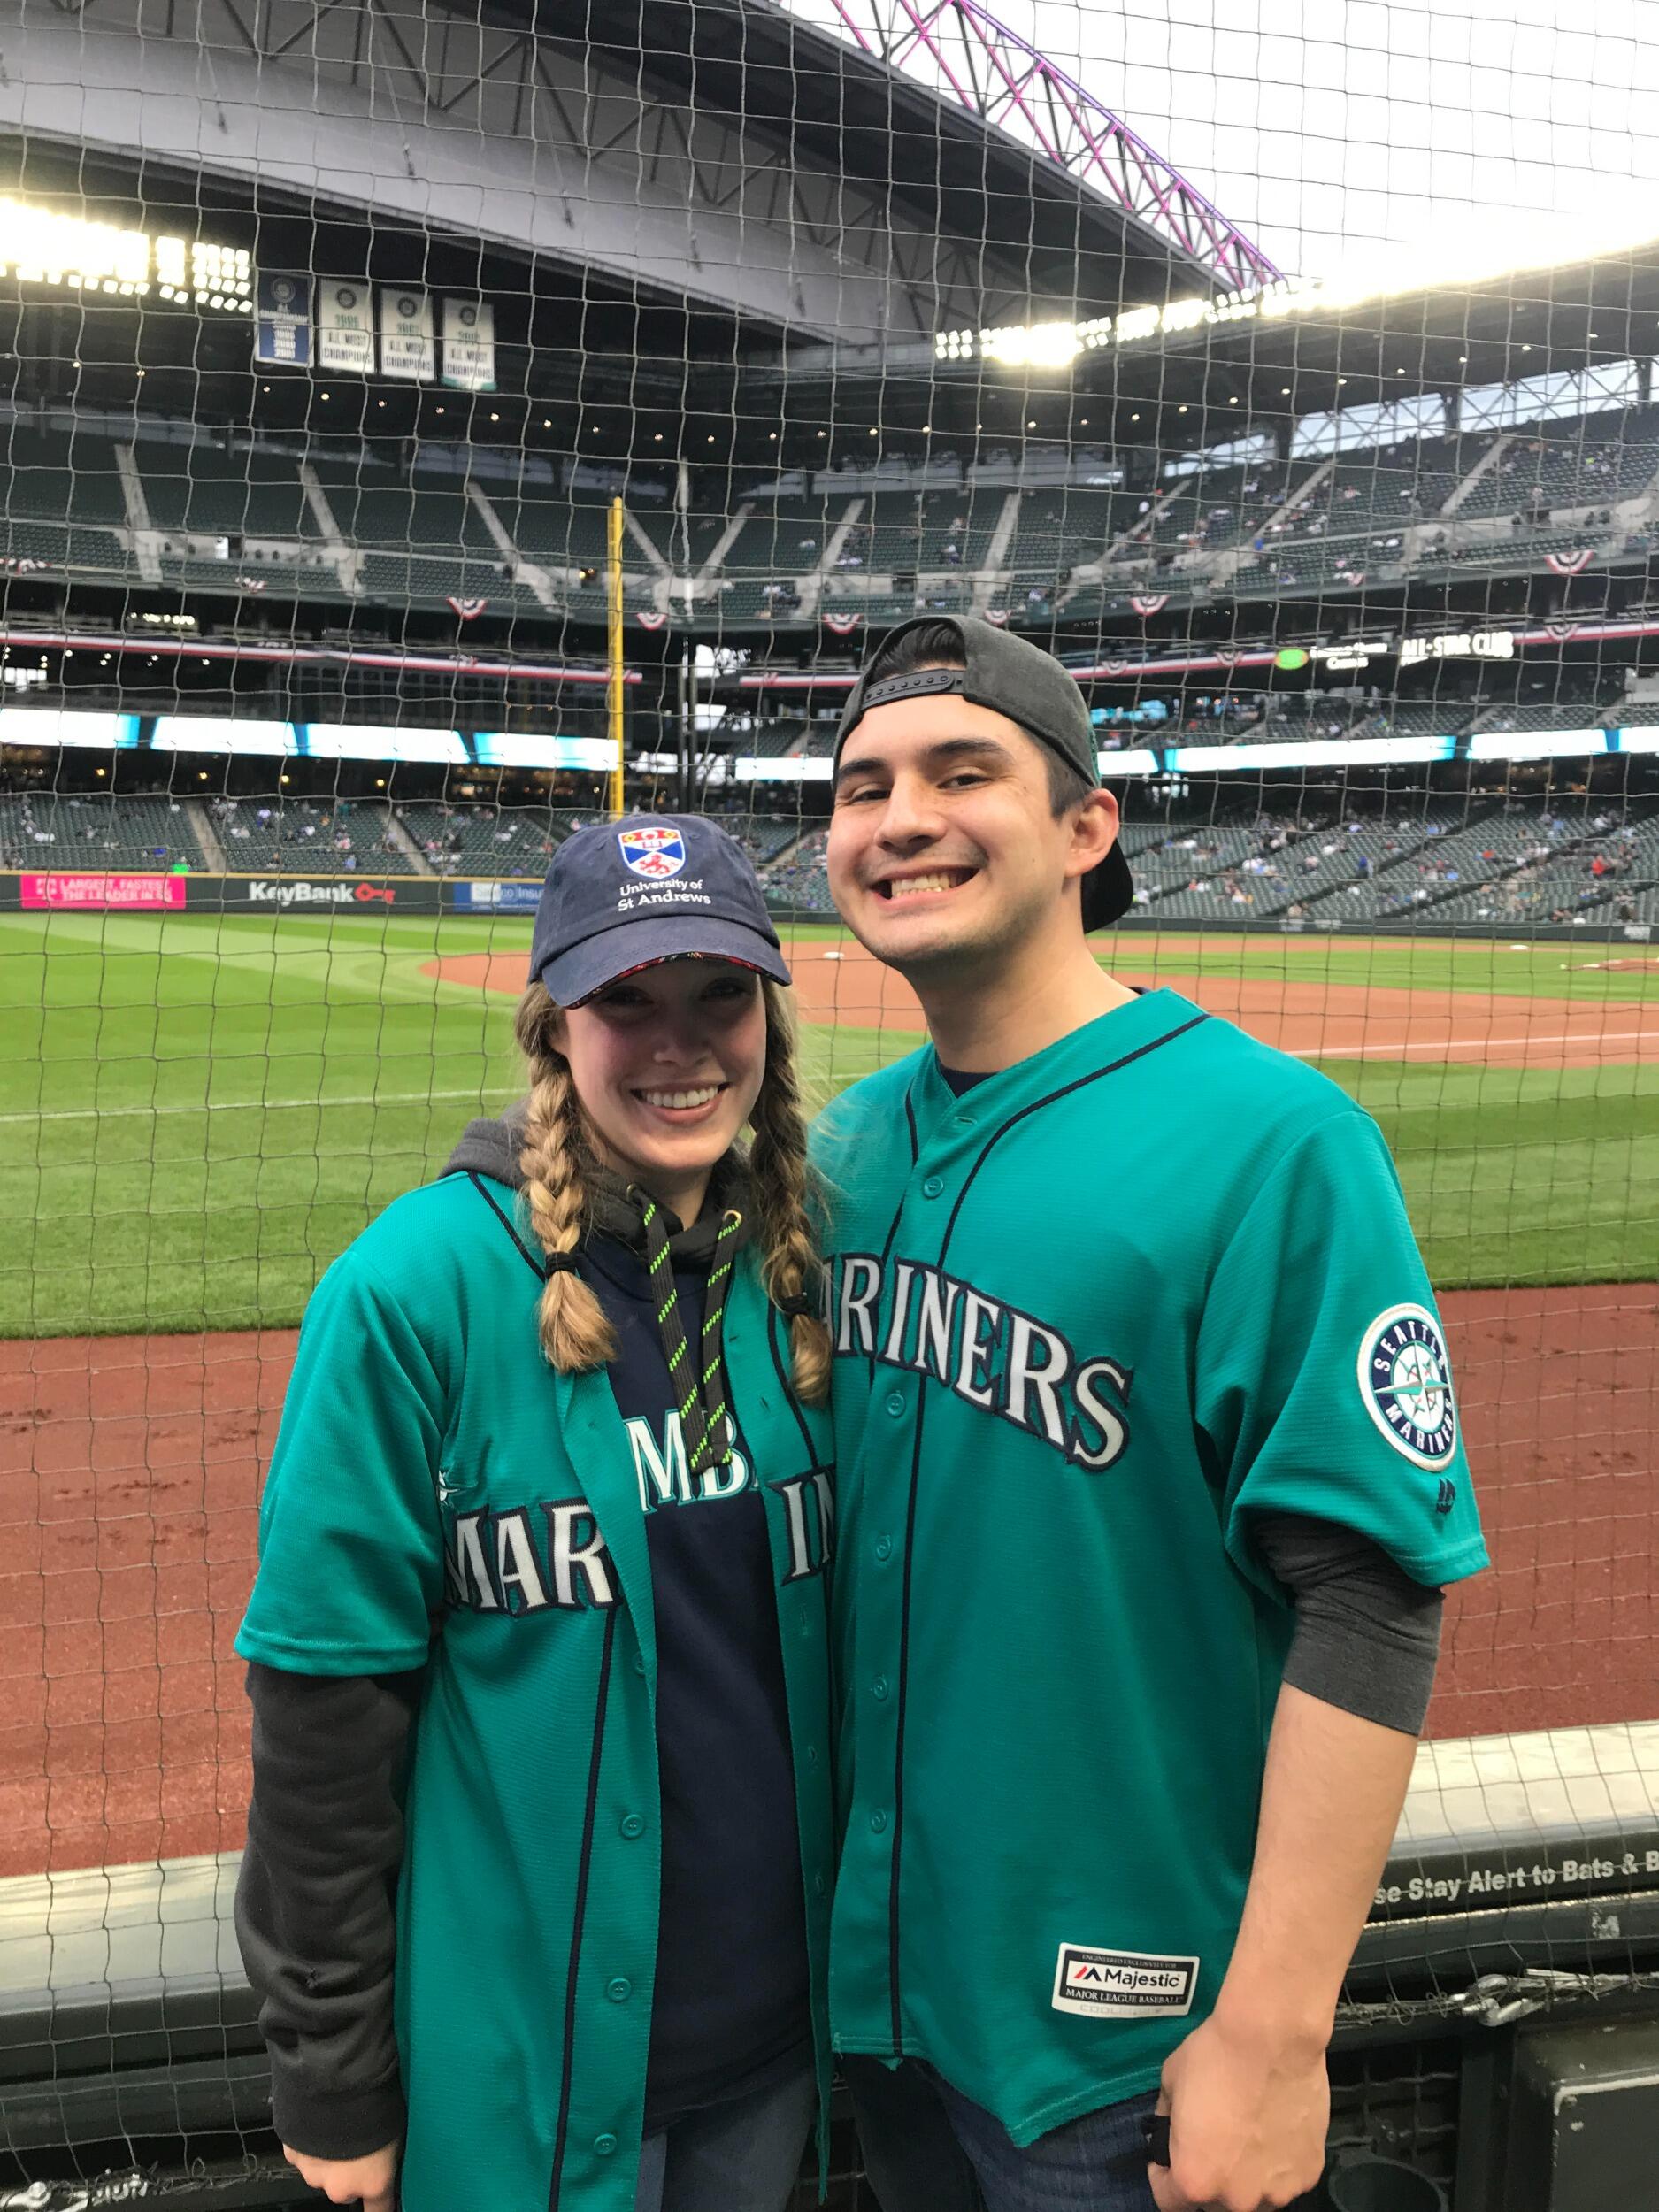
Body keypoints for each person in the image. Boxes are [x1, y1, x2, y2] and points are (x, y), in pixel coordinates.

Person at [810, 617, 1487, 2212]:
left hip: (1134, 2056)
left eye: (960, 772)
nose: (898, 817)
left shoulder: (1274, 1143)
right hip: (886, 2004)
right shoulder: (845, 1150)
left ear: (1086, 826)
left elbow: (1373, 1595)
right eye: (860, 784)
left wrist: (1274, 2034)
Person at [234, 816, 837, 2212]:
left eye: (718, 995)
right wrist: (331, 2072)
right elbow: (325, 1712)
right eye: (626, 999)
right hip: (520, 2073)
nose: (679, 1043)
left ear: (768, 1016)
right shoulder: (413, 1292)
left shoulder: (809, 1266)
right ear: (552, 1024)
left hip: (771, 2057)